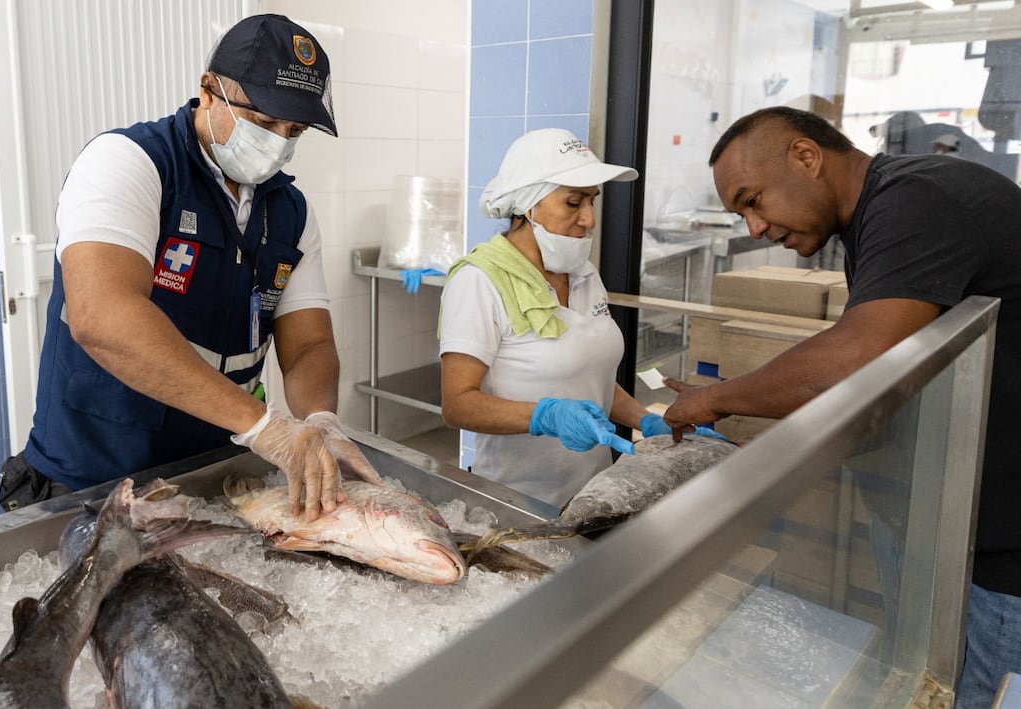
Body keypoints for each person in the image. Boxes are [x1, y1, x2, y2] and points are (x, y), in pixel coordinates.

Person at [662, 105, 1021, 708]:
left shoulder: (916, 202)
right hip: (943, 524)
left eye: (753, 200)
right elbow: (904, 379)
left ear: (806, 157)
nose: (753, 228)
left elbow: (857, 359)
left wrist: (714, 399)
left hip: (1000, 557)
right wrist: (789, 446)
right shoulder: (882, 214)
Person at [0, 13, 380, 521]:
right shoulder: (130, 162)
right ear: (209, 90)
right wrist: (264, 427)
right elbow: (102, 316)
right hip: (93, 486)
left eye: (295, 130)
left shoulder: (290, 212)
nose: (280, 142)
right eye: (264, 122)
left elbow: (309, 344)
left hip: (208, 480)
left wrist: (321, 419)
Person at [437, 128, 724, 508]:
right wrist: (545, 416)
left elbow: (591, 377)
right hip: (517, 500)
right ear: (528, 204)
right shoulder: (479, 281)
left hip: (595, 492)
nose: (589, 219)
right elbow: (457, 404)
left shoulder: (583, 273)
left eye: (592, 201)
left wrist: (649, 423)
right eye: (573, 202)